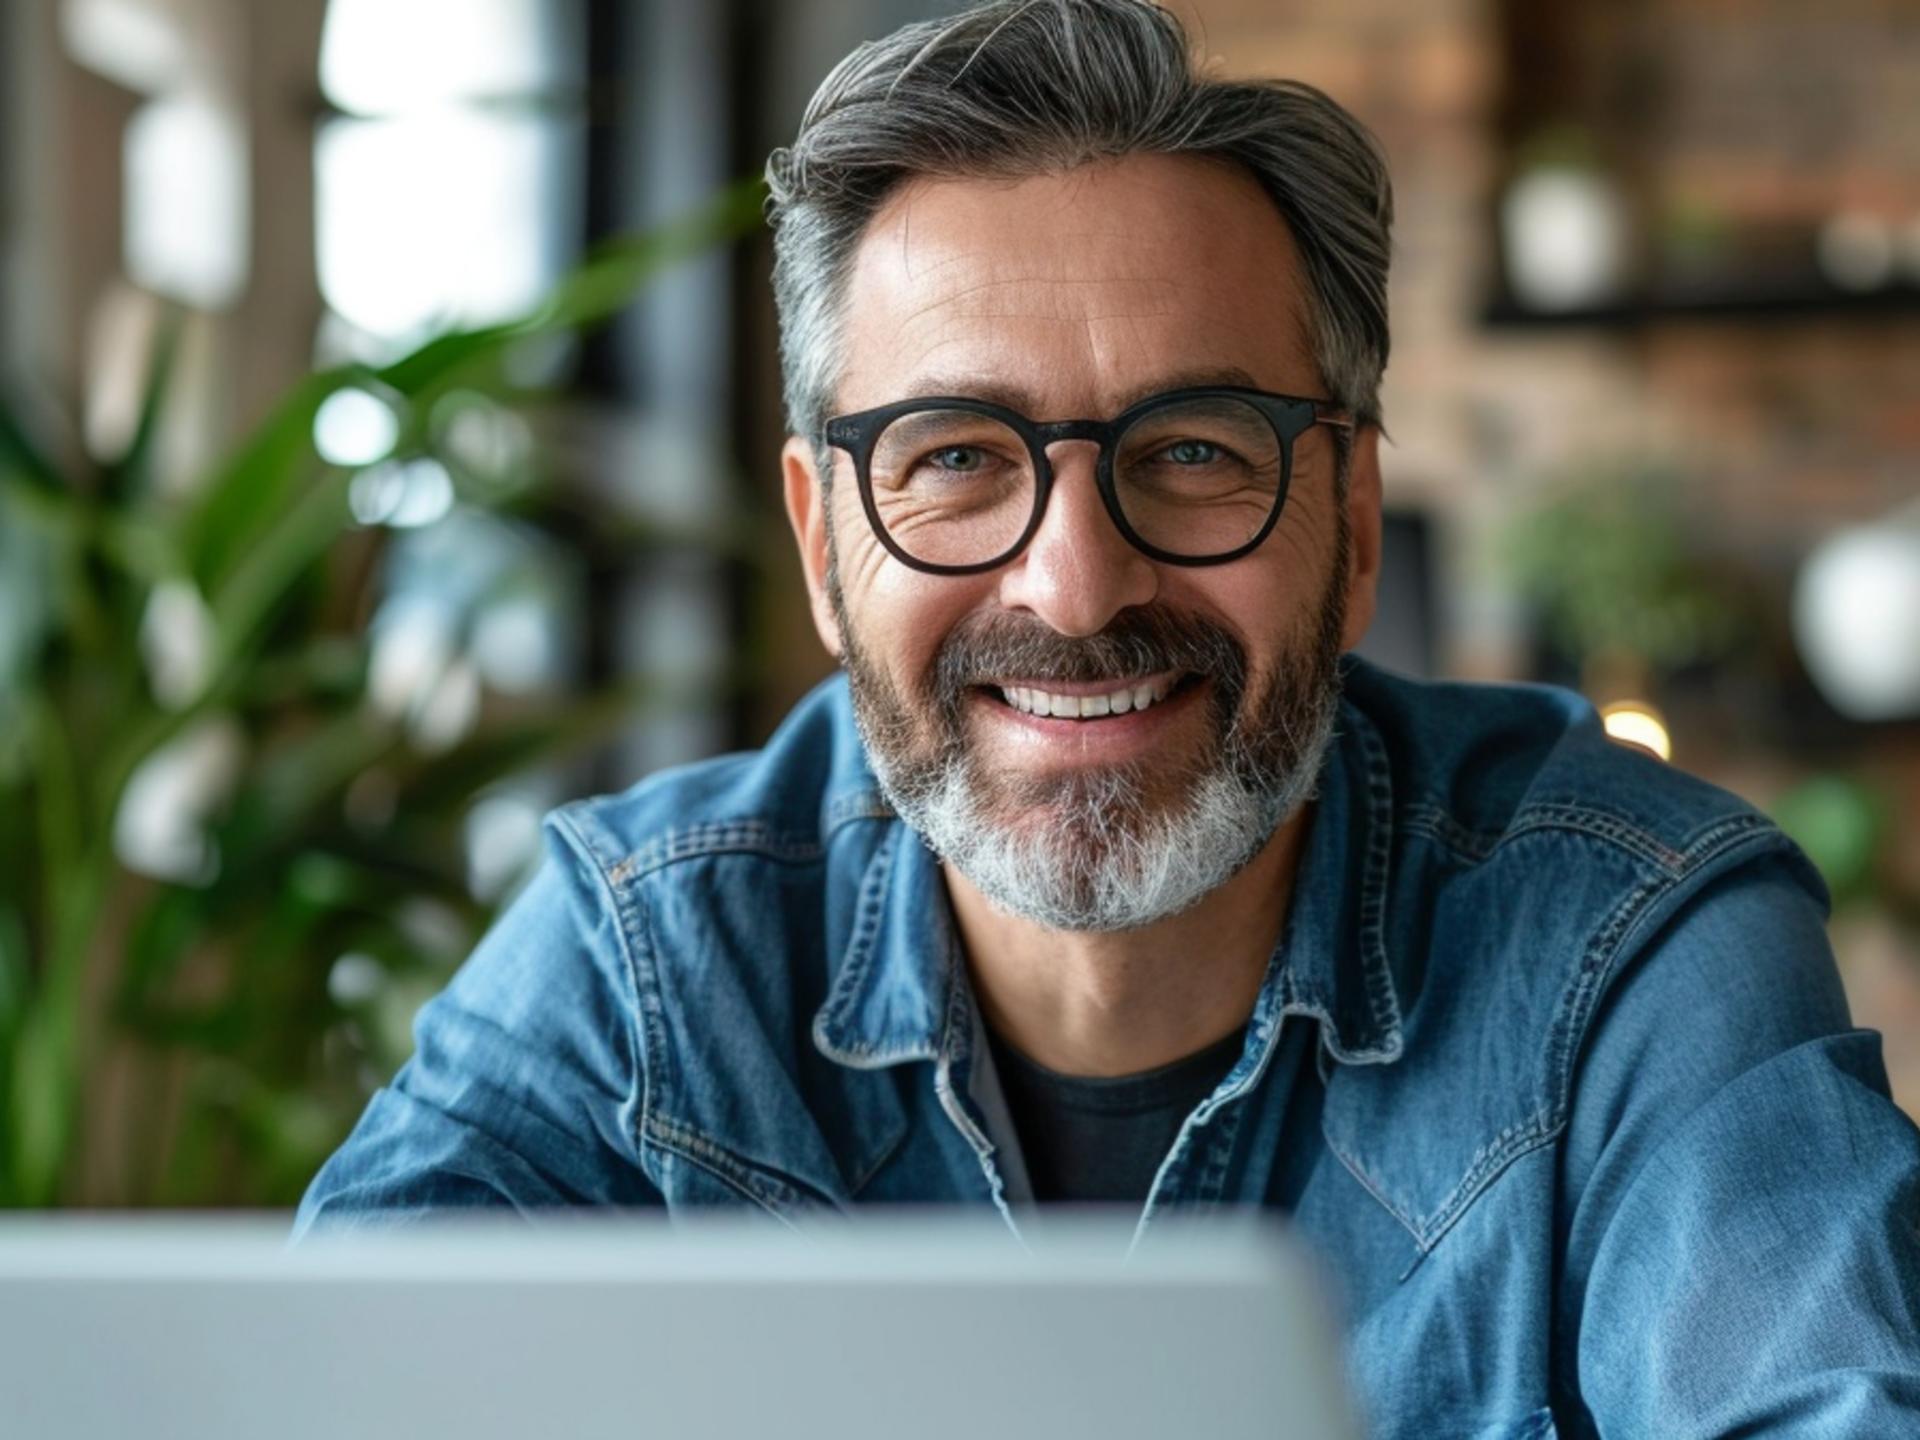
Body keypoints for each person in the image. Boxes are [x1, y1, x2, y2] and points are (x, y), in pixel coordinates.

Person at [297, 0, 1920, 1430]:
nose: (1075, 590)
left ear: (1352, 519)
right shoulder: (645, 963)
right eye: (952, 458)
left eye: (1196, 451)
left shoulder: (1631, 949)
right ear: (821, 543)